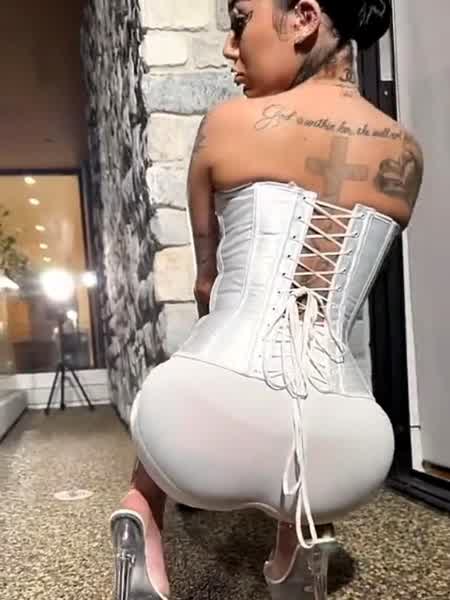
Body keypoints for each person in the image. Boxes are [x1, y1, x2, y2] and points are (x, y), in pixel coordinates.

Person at [110, 1, 424, 599]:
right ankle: (298, 542)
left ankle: (142, 512)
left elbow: (207, 288)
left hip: (196, 426)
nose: (231, 47)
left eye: (240, 21)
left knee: (199, 357)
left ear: (304, 17)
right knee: (308, 389)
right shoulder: (407, 155)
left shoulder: (228, 124)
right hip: (353, 449)